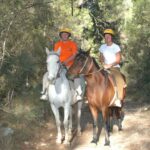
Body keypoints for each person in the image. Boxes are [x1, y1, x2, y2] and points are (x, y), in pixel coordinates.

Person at [40, 28, 85, 102]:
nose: (64, 35)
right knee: (47, 74)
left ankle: (78, 93)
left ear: (68, 35)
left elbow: (74, 55)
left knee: (75, 76)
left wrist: (66, 62)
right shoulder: (57, 44)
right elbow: (55, 55)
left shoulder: (72, 44)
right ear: (61, 35)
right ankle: (45, 93)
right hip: (59, 64)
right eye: (63, 34)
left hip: (70, 65)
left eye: (66, 34)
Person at [99, 28, 126, 107]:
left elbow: (118, 60)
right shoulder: (102, 47)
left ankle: (118, 99)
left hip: (114, 67)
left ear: (111, 37)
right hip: (104, 67)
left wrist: (109, 65)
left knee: (119, 79)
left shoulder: (116, 47)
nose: (107, 37)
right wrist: (103, 63)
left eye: (109, 36)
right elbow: (101, 58)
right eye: (106, 36)